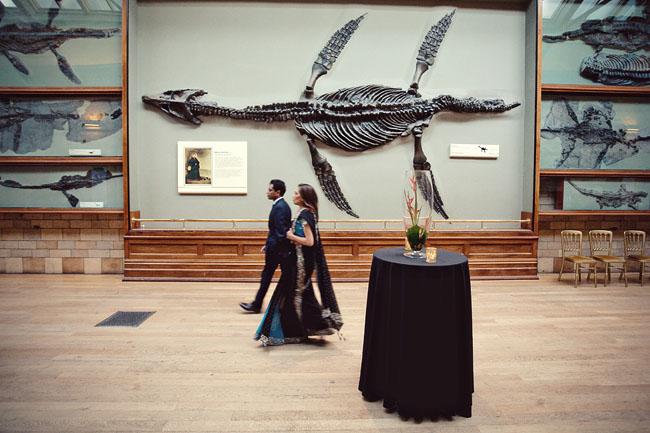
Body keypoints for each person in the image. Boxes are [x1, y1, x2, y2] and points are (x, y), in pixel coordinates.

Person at [254, 183, 343, 346]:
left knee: (293, 294)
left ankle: (294, 332)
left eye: (296, 193)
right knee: (301, 293)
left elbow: (310, 242)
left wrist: (291, 236)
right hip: (298, 261)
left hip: (301, 264)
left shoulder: (305, 216)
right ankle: (316, 326)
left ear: (302, 198)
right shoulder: (306, 213)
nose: (293, 195)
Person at [240, 179, 292, 313]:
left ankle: (259, 305)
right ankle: (259, 304)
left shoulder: (280, 207)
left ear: (277, 192)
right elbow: (276, 231)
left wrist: (272, 247)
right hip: (278, 249)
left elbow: (281, 233)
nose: (267, 192)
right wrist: (267, 244)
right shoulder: (280, 205)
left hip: (278, 251)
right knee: (270, 277)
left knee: (269, 277)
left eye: (270, 190)